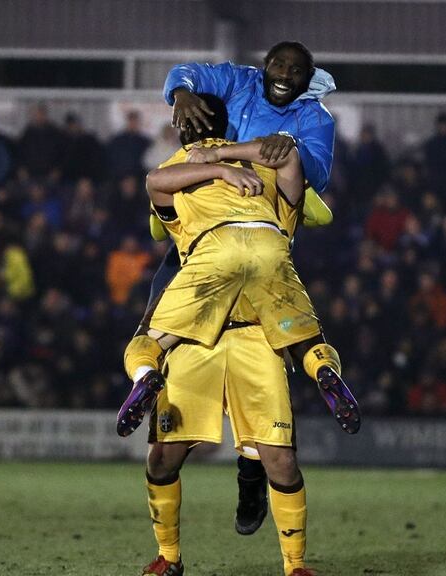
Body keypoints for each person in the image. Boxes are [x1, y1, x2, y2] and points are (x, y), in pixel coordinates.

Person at [130, 96, 341, 576]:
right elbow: (158, 204)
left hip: (245, 327)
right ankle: (170, 556)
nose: (183, 125)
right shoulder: (184, 171)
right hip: (205, 325)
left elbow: (293, 168)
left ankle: (292, 562)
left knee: (276, 460)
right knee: (165, 455)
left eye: (189, 119)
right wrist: (220, 171)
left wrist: (224, 160)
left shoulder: (252, 163)